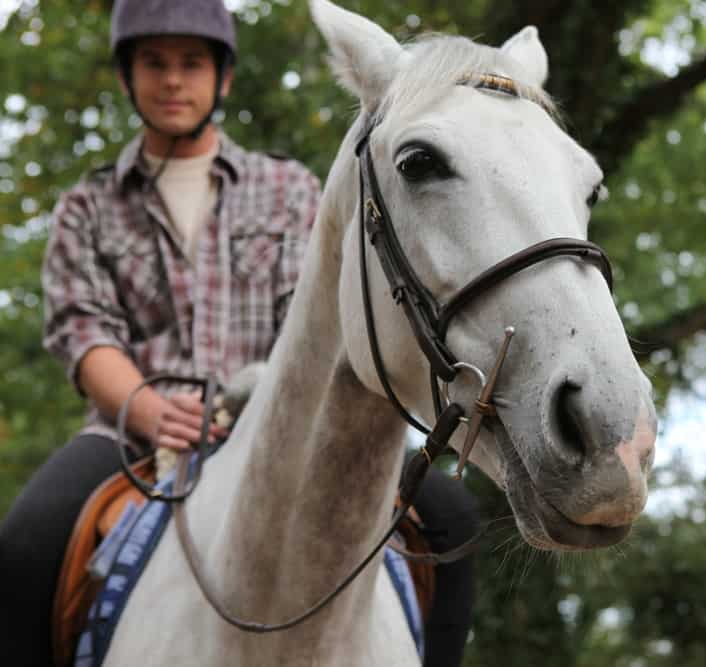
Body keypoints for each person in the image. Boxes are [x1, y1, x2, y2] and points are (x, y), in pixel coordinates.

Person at [0, 1, 476, 664]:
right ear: (127, 77)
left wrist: (256, 400)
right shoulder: (89, 204)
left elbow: (317, 320)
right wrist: (147, 407)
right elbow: (83, 331)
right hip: (130, 436)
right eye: (155, 63)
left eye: (192, 63)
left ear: (222, 78)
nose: (173, 80)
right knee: (23, 546)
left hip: (280, 425)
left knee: (452, 513)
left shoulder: (286, 189)